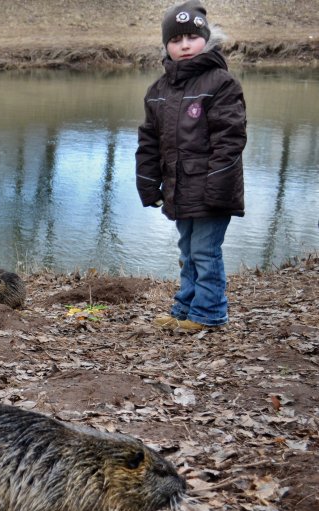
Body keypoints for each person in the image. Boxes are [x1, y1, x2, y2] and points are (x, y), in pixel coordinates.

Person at [136, 1, 246, 332]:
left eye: (191, 37)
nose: (184, 45)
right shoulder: (158, 90)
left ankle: (210, 314)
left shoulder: (221, 83)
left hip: (213, 190)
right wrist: (148, 184)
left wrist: (217, 189)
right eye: (175, 39)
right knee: (187, 250)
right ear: (166, 45)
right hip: (179, 190)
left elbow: (230, 141)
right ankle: (185, 307)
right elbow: (149, 143)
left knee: (205, 252)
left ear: (206, 39)